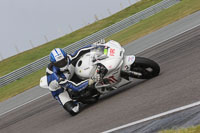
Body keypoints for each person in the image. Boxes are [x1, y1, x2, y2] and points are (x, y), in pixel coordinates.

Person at [46, 45, 97, 115]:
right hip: (60, 89)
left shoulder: (69, 58)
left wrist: (95, 45)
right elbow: (75, 87)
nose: (62, 64)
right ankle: (78, 100)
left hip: (70, 75)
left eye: (63, 61)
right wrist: (91, 80)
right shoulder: (55, 76)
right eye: (59, 63)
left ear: (66, 57)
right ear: (54, 64)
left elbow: (80, 51)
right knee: (74, 111)